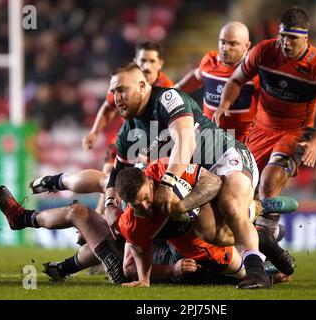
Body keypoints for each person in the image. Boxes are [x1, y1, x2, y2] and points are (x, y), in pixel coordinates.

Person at [103, 62, 273, 289]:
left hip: (225, 158)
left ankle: (256, 274)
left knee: (230, 206)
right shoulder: (127, 131)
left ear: (143, 86)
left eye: (122, 89)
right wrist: (110, 203)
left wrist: (167, 182)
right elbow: (118, 173)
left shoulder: (167, 99)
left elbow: (186, 141)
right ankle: (256, 216)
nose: (116, 97)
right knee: (211, 233)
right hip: (195, 177)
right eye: (114, 92)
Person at [215, 8, 316, 275]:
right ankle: (270, 236)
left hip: (296, 133)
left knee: (269, 182)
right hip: (260, 130)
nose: (286, 43)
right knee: (239, 191)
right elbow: (236, 79)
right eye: (283, 36)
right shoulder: (264, 51)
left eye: (292, 39)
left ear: (306, 38)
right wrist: (223, 105)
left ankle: (263, 257)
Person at [115, 160, 294, 287]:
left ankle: (257, 209)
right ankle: (264, 255)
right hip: (183, 239)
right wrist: (146, 279)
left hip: (199, 210)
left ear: (149, 181)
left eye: (146, 198)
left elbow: (213, 181)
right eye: (138, 205)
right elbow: (135, 259)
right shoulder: (130, 223)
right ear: (127, 204)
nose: (146, 207)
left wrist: (182, 206)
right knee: (237, 272)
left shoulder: (166, 170)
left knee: (215, 227)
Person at [80, 41, 174, 215]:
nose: (146, 66)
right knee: (109, 171)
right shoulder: (122, 85)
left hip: (154, 144)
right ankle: (102, 215)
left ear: (160, 63)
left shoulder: (167, 90)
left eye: (151, 61)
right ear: (135, 62)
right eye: (142, 61)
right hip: (126, 138)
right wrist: (94, 132)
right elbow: (108, 107)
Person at [174, 21, 257, 142]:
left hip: (242, 142)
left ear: (247, 45)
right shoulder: (210, 61)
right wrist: (175, 89)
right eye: (222, 42)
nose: (225, 48)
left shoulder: (255, 70)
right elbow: (197, 76)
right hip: (208, 138)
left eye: (233, 44)